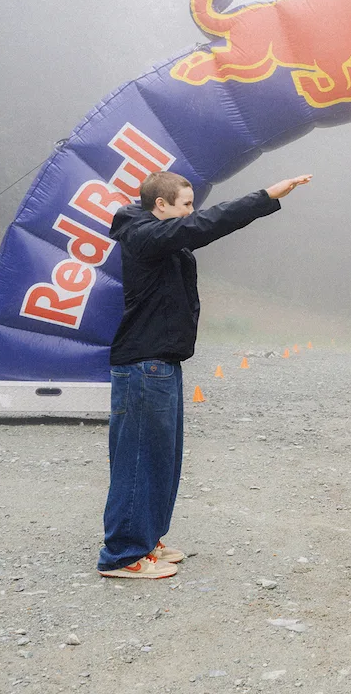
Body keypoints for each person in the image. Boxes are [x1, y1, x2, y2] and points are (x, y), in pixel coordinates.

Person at [98, 171, 312, 579]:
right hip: (144, 364)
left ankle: (146, 540)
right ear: (160, 205)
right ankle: (123, 555)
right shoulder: (143, 235)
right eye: (184, 205)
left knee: (163, 460)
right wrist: (265, 196)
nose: (190, 212)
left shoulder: (157, 236)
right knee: (139, 459)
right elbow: (205, 226)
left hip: (162, 363)